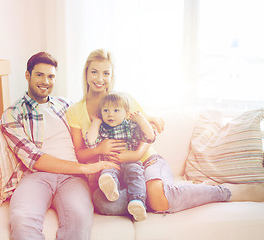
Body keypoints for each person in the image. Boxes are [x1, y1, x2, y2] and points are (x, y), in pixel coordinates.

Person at [66, 48, 232, 216]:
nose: (100, 78)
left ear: (111, 76)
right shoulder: (75, 111)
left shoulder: (123, 100)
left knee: (158, 201)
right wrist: (99, 150)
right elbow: (79, 154)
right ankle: (142, 196)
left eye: (106, 73)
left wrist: (135, 154)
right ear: (86, 73)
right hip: (116, 174)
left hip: (146, 161)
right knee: (105, 204)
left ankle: (219, 191)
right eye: (94, 72)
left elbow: (148, 131)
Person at [1, 52, 119, 240]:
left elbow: (108, 113)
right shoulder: (12, 114)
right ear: (27, 75)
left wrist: (146, 118)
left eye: (51, 76)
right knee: (22, 219)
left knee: (80, 218)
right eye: (39, 75)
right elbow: (34, 159)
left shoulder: (66, 104)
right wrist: (85, 168)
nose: (45, 81)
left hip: (72, 179)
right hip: (36, 177)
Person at [85, 91, 156, 221]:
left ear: (126, 113)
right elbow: (90, 143)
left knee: (135, 174)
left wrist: (141, 120)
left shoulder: (131, 127)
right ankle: (111, 188)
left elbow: (150, 137)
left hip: (131, 162)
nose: (110, 114)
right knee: (107, 172)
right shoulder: (102, 129)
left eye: (116, 110)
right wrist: (96, 122)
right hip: (111, 164)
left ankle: (137, 202)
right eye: (106, 110)